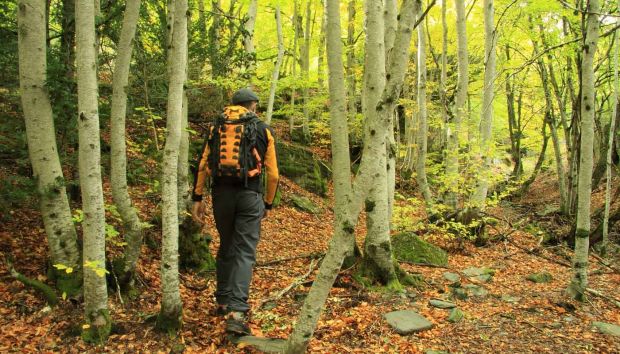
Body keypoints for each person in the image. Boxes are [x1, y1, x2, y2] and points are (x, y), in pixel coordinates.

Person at [191, 88, 279, 335]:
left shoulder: (216, 127)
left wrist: (197, 198)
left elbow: (202, 164)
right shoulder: (263, 129)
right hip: (250, 196)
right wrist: (268, 203)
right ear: (252, 106)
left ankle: (222, 300)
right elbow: (273, 175)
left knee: (226, 245)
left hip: (221, 196)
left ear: (232, 105)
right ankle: (237, 312)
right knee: (244, 251)